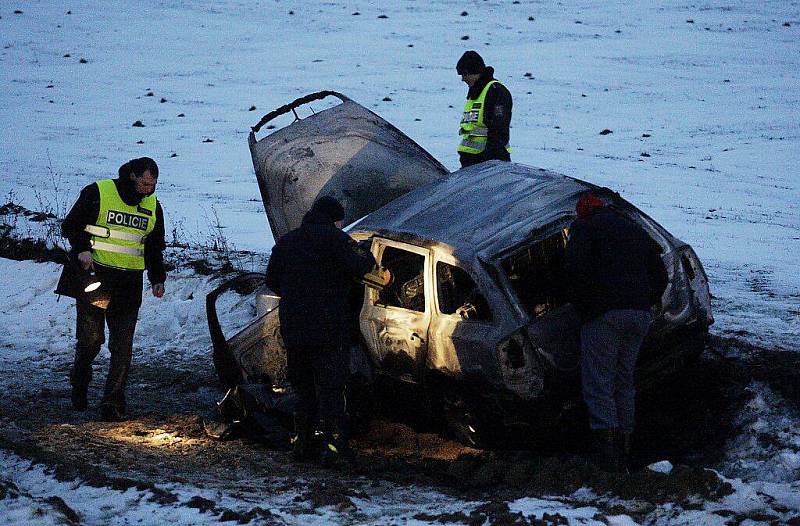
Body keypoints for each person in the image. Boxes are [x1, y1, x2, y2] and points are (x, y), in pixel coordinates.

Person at [264, 196, 377, 465]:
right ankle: (334, 447)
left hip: (295, 329)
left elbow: (272, 281)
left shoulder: (287, 242)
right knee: (332, 389)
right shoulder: (337, 240)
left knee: (303, 391)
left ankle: (303, 445)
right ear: (335, 219)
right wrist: (362, 250)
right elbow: (364, 266)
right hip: (329, 329)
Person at [57, 157, 166, 422]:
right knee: (91, 341)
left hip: (129, 284)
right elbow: (70, 226)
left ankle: (113, 402)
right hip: (96, 279)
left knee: (123, 348)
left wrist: (157, 277)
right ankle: (80, 378)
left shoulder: (153, 206)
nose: (148, 189)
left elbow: (153, 245)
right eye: (144, 183)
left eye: (153, 184)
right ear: (131, 176)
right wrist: (82, 249)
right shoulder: (98, 192)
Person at [564, 192, 667, 472]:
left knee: (599, 384)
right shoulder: (633, 227)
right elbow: (660, 272)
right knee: (624, 381)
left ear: (582, 212)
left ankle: (609, 458)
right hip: (639, 315)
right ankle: (628, 445)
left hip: (605, 316)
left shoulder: (584, 229)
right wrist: (647, 301)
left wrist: (586, 309)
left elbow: (574, 271)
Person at [456, 50, 513, 168]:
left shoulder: (496, 92)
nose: (463, 79)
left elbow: (498, 131)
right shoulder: (475, 93)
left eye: (464, 74)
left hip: (487, 165)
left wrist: (489, 163)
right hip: (472, 164)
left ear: (474, 72)